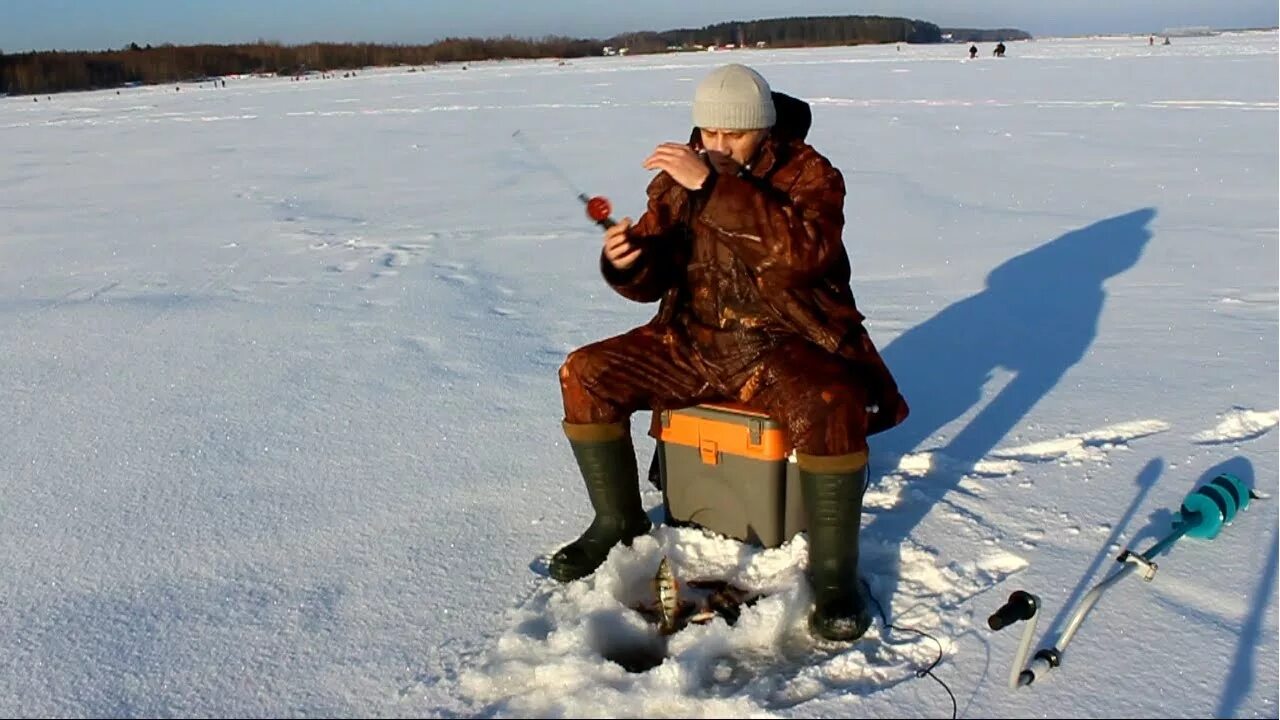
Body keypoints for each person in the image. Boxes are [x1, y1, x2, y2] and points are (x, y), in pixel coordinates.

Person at [551, 63, 909, 642]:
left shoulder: (811, 175)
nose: (715, 146)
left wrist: (713, 188)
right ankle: (617, 522)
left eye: (732, 135)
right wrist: (627, 260)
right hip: (692, 340)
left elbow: (802, 257)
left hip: (781, 342)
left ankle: (834, 572)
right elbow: (654, 275)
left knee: (832, 401)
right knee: (585, 373)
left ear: (763, 131)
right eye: (708, 133)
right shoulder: (679, 176)